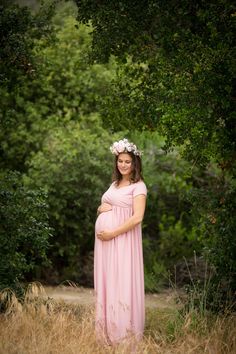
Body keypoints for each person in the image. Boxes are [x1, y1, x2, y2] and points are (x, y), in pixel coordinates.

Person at [94, 138, 147, 345]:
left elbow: (137, 217)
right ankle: (106, 334)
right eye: (120, 161)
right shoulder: (114, 184)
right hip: (106, 245)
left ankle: (123, 336)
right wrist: (101, 209)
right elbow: (106, 202)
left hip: (123, 241)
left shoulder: (139, 187)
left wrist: (112, 233)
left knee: (121, 281)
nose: (123, 165)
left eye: (127, 161)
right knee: (108, 282)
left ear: (135, 163)